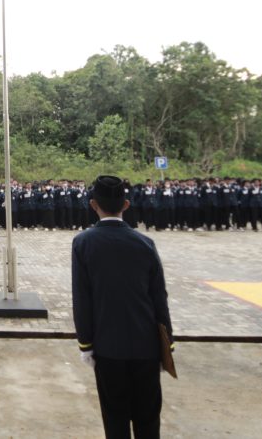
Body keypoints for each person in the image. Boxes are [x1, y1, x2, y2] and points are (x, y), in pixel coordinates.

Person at [72, 175, 173, 439]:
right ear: (126, 205)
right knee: (148, 418)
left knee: (115, 417)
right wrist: (167, 345)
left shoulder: (84, 242)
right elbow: (159, 297)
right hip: (147, 345)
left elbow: (82, 299)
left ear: (94, 205)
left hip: (108, 346)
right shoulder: (144, 243)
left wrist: (86, 344)